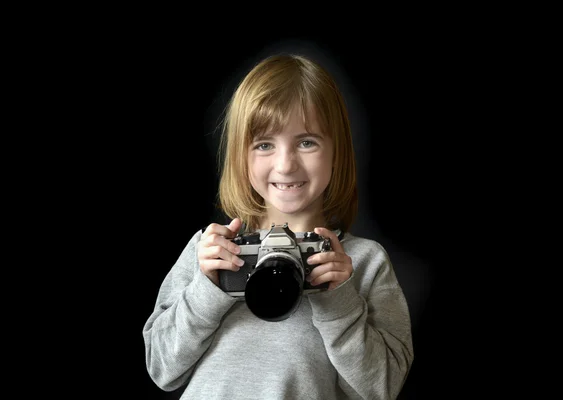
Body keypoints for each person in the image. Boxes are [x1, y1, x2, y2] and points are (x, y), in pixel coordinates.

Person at [143, 53, 414, 399]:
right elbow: (161, 369)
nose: (285, 165)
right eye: (265, 145)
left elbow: (383, 387)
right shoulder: (211, 252)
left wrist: (341, 303)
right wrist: (206, 290)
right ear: (242, 155)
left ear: (337, 151)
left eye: (306, 142)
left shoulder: (361, 263)